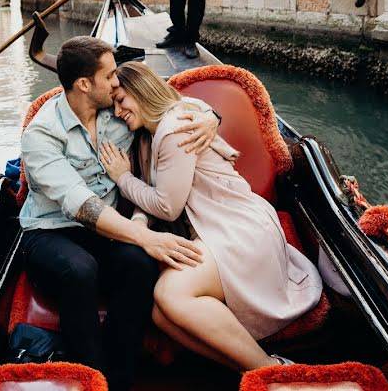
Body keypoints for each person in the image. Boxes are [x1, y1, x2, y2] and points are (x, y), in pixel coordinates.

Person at [19, 36, 221, 391]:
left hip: (107, 232)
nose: (117, 82)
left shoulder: (115, 109)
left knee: (138, 266)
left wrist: (209, 116)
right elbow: (79, 203)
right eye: (110, 75)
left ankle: (121, 378)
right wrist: (147, 236)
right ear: (84, 84)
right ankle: (92, 380)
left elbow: (168, 101)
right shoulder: (41, 134)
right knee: (80, 269)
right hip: (50, 233)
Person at [98, 61, 324, 372]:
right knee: (159, 313)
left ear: (142, 90)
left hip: (239, 228)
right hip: (216, 229)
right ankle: (255, 370)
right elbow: (152, 193)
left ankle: (275, 371)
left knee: (170, 293)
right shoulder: (150, 134)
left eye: (121, 100)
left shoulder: (175, 127)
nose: (118, 112)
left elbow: (166, 207)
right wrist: (138, 223)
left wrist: (123, 179)